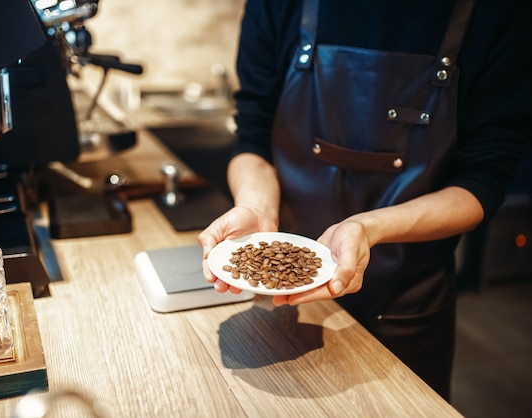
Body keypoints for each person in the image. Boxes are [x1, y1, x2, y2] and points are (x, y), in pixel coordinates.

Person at [197, 0, 532, 401]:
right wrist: (256, 207)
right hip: (282, 300)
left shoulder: (500, 12)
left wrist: (366, 228)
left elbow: (484, 180)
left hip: (405, 310)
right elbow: (253, 136)